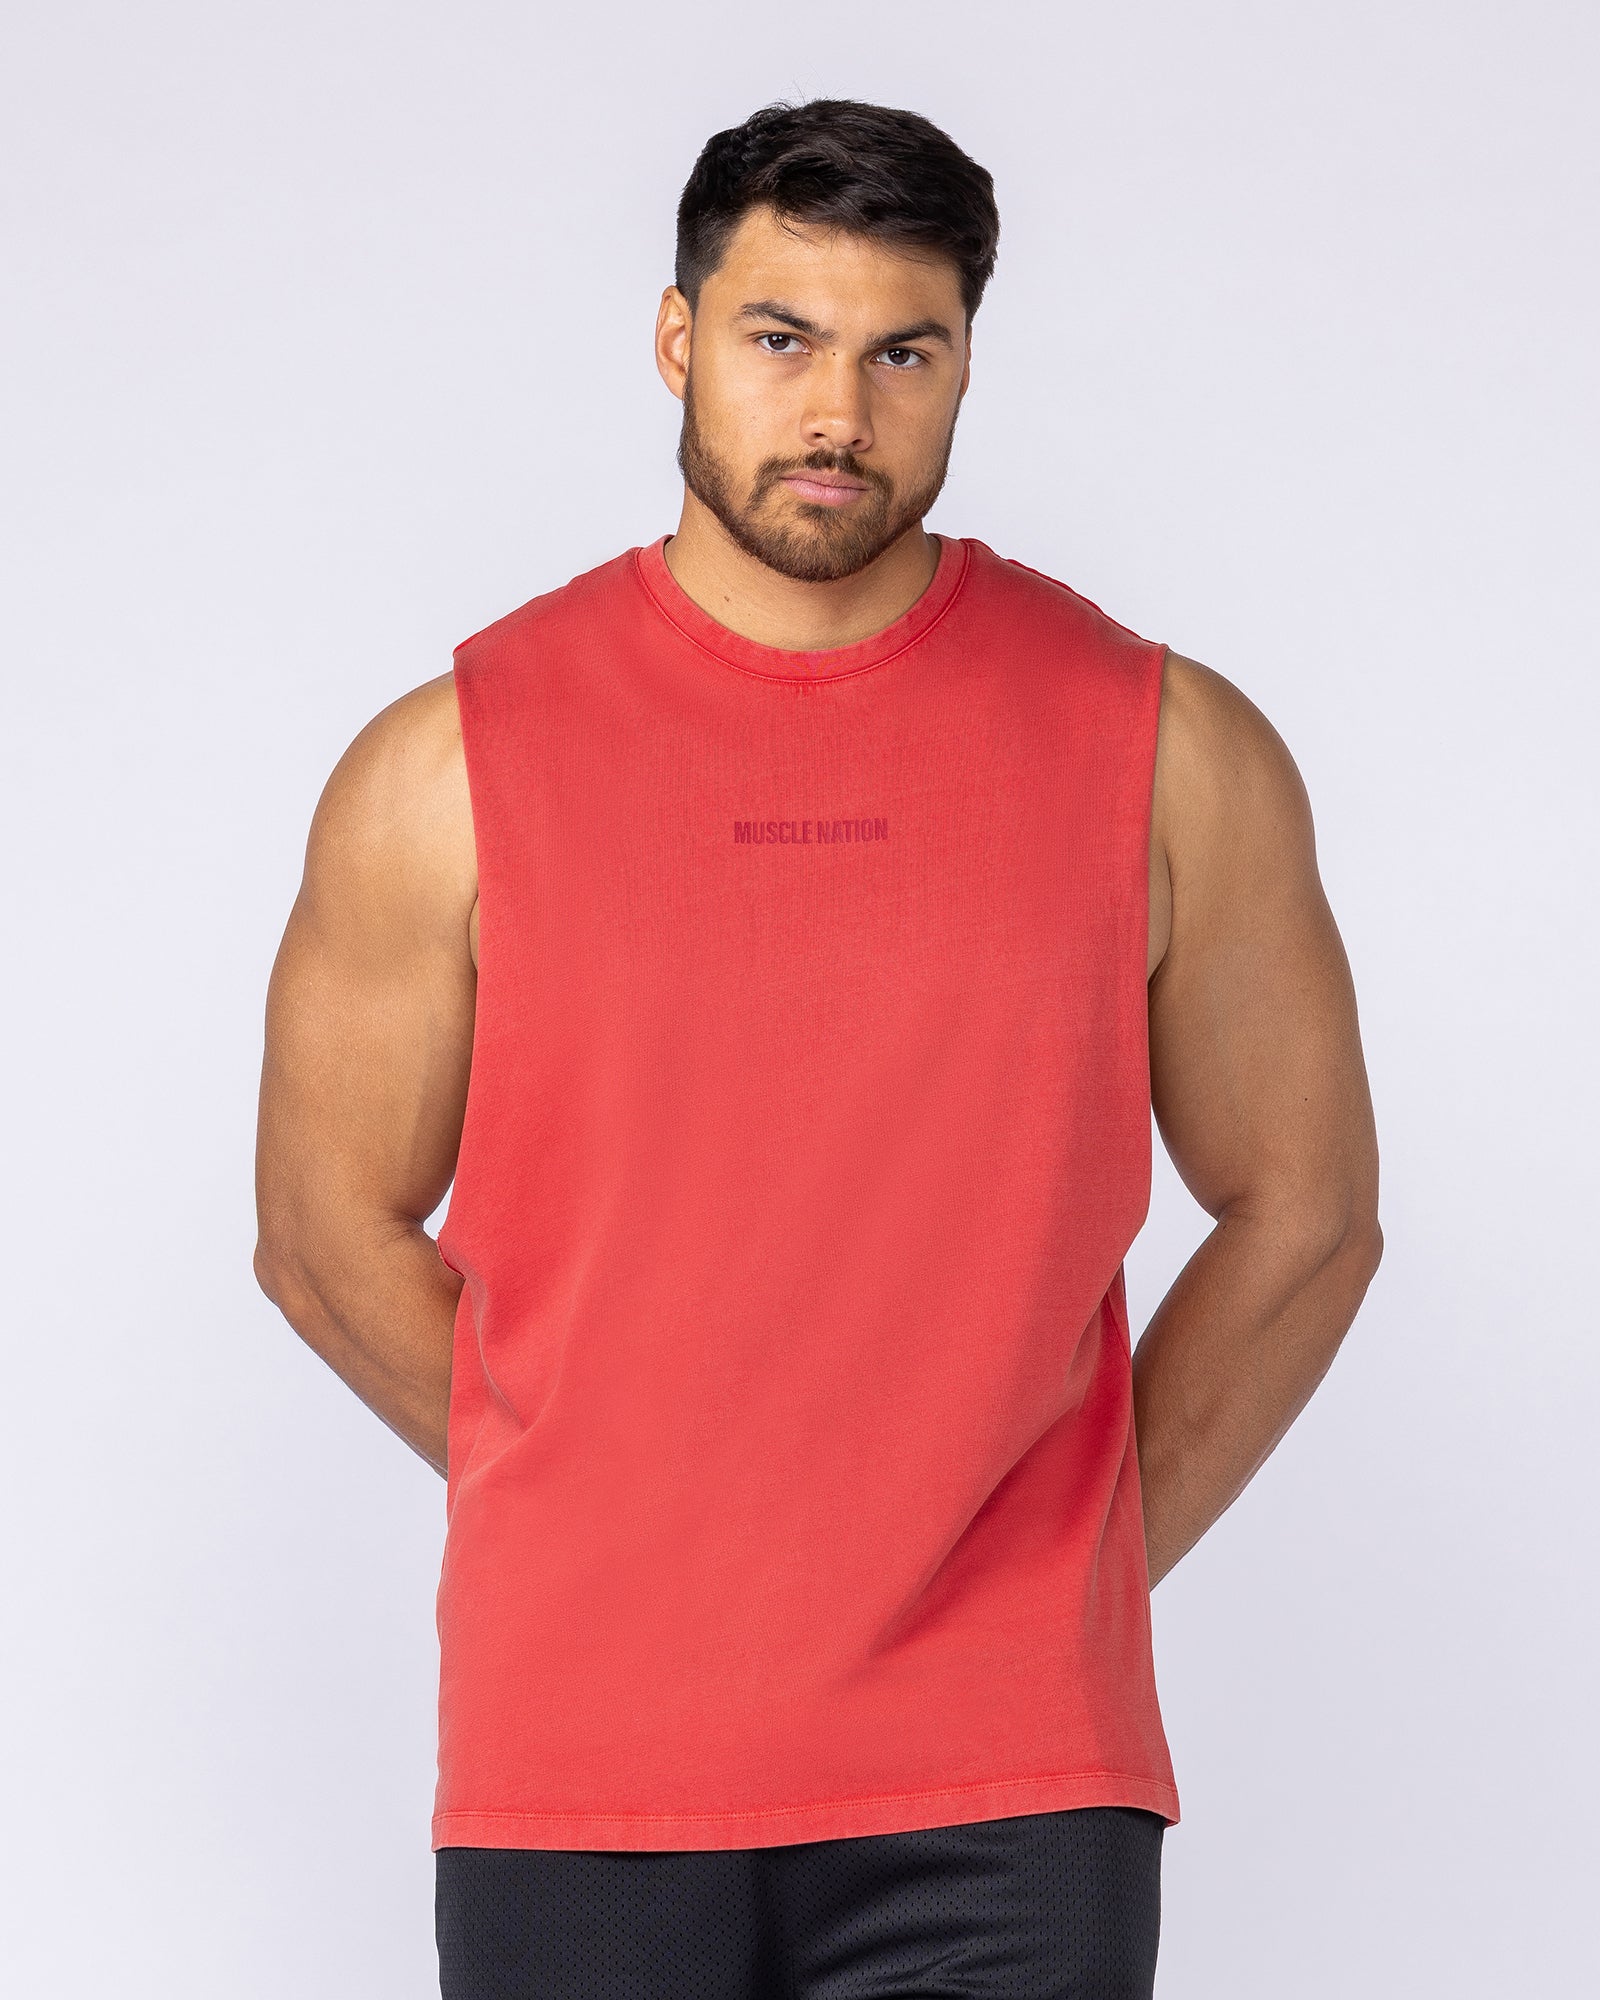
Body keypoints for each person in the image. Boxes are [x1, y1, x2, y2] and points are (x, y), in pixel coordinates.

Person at [253, 97, 1383, 2000]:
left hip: (1012, 1787)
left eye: (902, 353)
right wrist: (609, 1507)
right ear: (679, 337)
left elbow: (1309, 1212)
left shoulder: (1166, 750)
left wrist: (1067, 1565)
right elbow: (319, 1232)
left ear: (966, 366)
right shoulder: (448, 767)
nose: (838, 412)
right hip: (584, 1763)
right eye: (782, 338)